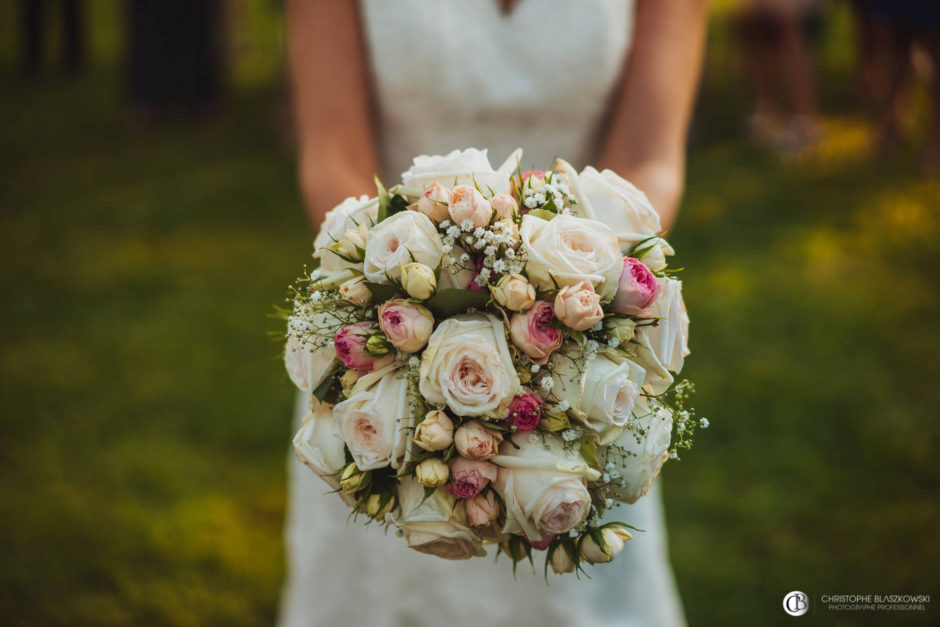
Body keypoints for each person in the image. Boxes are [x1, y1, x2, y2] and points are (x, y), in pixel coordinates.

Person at [280, 1, 706, 626]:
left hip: (579, 347)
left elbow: (649, 161)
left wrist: (574, 306)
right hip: (388, 342)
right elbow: (333, 156)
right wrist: (404, 303)